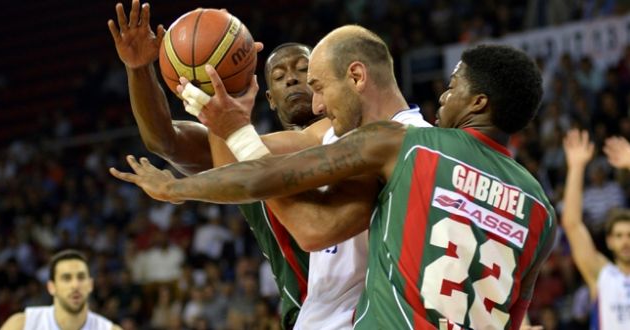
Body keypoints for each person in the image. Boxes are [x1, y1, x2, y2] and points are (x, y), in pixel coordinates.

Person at [111, 38, 557, 329]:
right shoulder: (538, 205)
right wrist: (145, 72)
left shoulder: (408, 144)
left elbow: (311, 227)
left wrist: (183, 181)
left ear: (356, 77)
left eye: (315, 80)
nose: (313, 95)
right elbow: (165, 141)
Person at [107, 1, 355, 328]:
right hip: (310, 316)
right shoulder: (241, 148)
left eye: (303, 70)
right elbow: (163, 141)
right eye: (280, 75)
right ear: (269, 98)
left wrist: (178, 186)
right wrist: (139, 70)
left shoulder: (352, 137)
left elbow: (257, 151)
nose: (293, 79)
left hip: (369, 308)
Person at [177, 25, 431, 329]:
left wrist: (177, 185)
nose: (317, 104)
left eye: (318, 86)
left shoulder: (396, 140)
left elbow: (312, 229)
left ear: (356, 77)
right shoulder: (345, 136)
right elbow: (235, 165)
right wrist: (222, 112)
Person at [562, 129, 630, 330]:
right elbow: (572, 225)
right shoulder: (602, 274)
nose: (625, 241)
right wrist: (576, 167)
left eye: (629, 235)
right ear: (609, 241)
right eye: (619, 236)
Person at [0, 249, 122, 330]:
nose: (75, 285)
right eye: (66, 278)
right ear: (51, 287)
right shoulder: (23, 325)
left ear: (90, 284)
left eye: (81, 277)